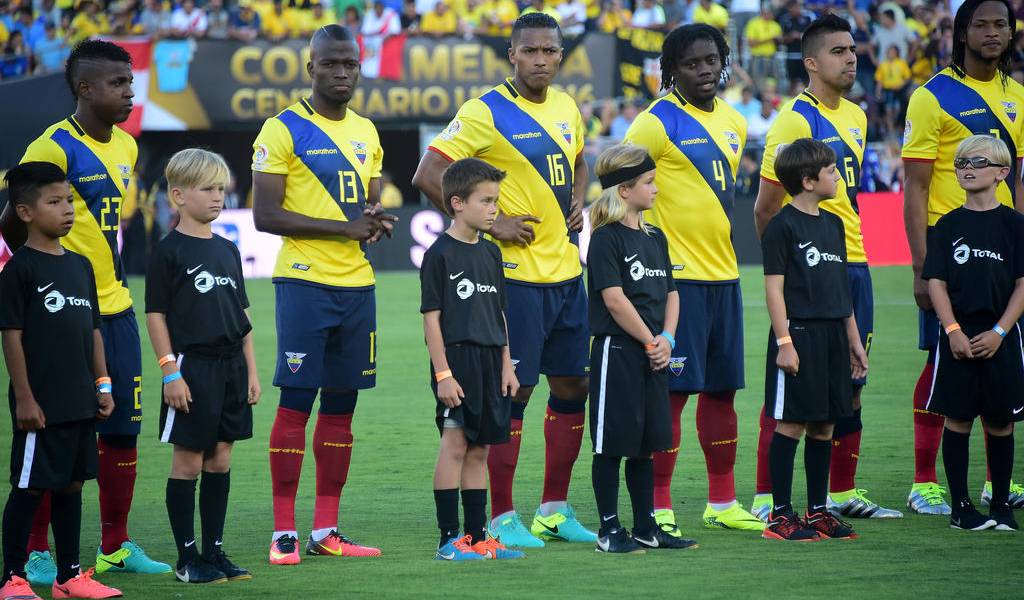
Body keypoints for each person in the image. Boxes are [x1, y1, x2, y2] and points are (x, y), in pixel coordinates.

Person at [412, 12, 593, 548]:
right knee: (514, 391)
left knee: (574, 385)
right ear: (512, 55)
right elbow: (428, 173)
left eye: (551, 51)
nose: (542, 60)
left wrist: (577, 199)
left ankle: (555, 509)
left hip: (566, 272)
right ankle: (502, 515)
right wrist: (496, 224)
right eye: (531, 51)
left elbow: (579, 161)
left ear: (561, 55)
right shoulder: (484, 111)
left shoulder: (566, 107)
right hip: (516, 278)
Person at [1, 39, 171, 583]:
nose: (129, 91)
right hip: (63, 314)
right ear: (84, 88)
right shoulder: (51, 149)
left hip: (115, 307)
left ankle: (114, 547)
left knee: (121, 428)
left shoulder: (125, 146)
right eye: (118, 83)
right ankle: (38, 552)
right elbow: (14, 218)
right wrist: (44, 272)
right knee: (56, 435)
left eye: (130, 81)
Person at [252, 23, 397, 565]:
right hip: (305, 282)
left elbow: (366, 205)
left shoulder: (367, 130)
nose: (341, 73)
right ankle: (284, 532)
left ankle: (325, 530)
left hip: (357, 287)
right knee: (296, 403)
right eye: (331, 64)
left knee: (342, 409)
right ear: (310, 67)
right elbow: (266, 215)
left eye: (350, 65)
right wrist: (345, 231)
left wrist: (376, 221)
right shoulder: (282, 129)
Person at [753, 13, 903, 521]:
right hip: (810, 274)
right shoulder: (796, 119)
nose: (851, 57)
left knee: (850, 384)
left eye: (853, 48)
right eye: (839, 51)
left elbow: (852, 197)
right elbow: (766, 207)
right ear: (812, 62)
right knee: (792, 388)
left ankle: (837, 495)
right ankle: (768, 497)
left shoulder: (858, 117)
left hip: (854, 264)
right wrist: (791, 271)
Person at [624, 24, 762, 535]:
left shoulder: (734, 120)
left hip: (725, 274)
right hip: (675, 283)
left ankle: (721, 502)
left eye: (712, 61)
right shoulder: (654, 123)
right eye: (691, 64)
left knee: (723, 391)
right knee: (672, 395)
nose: (704, 70)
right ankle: (659, 504)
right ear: (671, 70)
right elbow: (619, 186)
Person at [902, 0, 1024, 514]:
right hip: (951, 256)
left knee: (1004, 366)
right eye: (982, 24)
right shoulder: (932, 97)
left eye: (1001, 24)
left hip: (1004, 251)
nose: (993, 33)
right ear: (961, 32)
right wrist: (917, 264)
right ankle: (925, 482)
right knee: (943, 365)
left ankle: (997, 487)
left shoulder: (1018, 95)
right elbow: (915, 183)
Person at [0, 162, 122, 600]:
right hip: (42, 404)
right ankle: (11, 577)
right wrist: (25, 399)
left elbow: (92, 329)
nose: (67, 210)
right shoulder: (19, 270)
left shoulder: (80, 266)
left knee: (72, 484)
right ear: (26, 212)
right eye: (54, 202)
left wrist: (103, 383)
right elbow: (11, 336)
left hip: (80, 400)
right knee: (30, 486)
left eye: (69, 200)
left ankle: (69, 578)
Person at [145, 149, 259, 583]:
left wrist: (250, 371)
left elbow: (242, 316)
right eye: (208, 189)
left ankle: (214, 552)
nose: (218, 196)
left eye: (220, 188)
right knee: (189, 462)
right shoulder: (168, 252)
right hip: (192, 368)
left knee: (221, 459)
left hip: (231, 367)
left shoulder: (228, 249)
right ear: (178, 195)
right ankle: (186, 557)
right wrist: (169, 370)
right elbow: (155, 313)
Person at [586, 144, 698, 554]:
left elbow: (672, 293)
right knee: (612, 443)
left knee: (645, 443)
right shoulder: (605, 239)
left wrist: (667, 339)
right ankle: (608, 529)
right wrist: (651, 340)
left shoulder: (655, 237)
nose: (655, 189)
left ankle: (647, 527)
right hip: (618, 352)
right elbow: (614, 299)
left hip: (654, 354)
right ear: (624, 188)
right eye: (648, 182)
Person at [760, 138, 868, 542]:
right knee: (791, 424)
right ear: (808, 181)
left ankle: (818, 511)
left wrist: (854, 341)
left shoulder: (834, 224)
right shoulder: (782, 226)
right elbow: (773, 289)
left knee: (825, 425)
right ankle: (780, 515)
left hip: (834, 337)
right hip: (799, 334)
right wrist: (784, 340)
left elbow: (841, 291)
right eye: (831, 171)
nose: (838, 176)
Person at [421, 158, 524, 561]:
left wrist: (507, 363)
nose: (494, 209)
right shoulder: (439, 254)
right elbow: (432, 319)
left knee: (481, 448)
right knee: (456, 445)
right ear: (458, 203)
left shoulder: (492, 254)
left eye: (496, 201)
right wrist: (443, 374)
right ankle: (449, 539)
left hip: (490, 363)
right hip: (457, 362)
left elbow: (499, 313)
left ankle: (479, 536)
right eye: (486, 201)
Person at [922, 135, 1024, 532]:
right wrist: (952, 331)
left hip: (1001, 334)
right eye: (961, 160)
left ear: (1001, 172)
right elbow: (936, 282)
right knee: (958, 419)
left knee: (1001, 422)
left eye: (978, 161)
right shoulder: (948, 225)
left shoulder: (1015, 224)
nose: (966, 166)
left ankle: (1001, 506)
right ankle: (961, 509)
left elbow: (1021, 283)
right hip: (958, 337)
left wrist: (1001, 330)